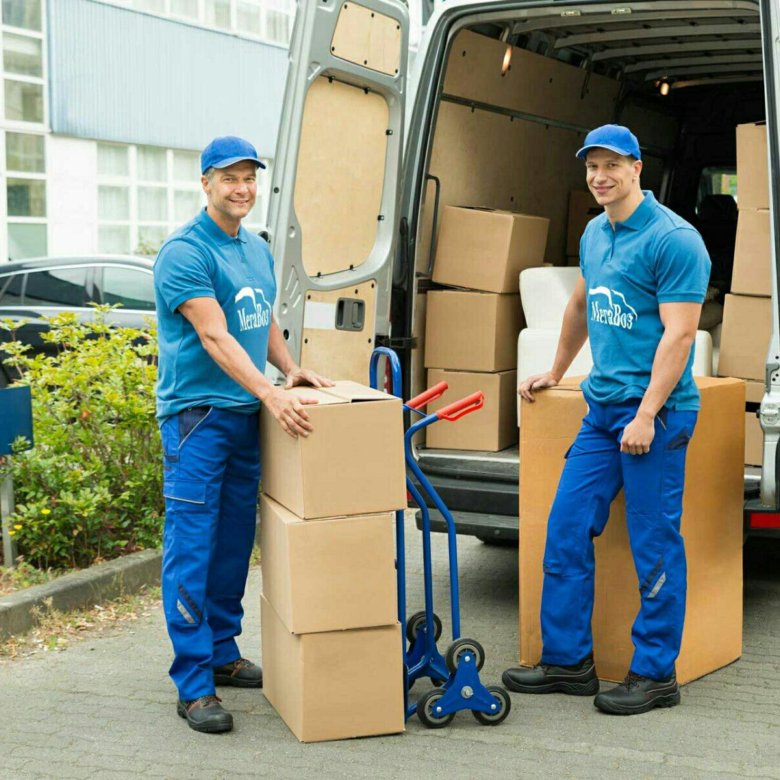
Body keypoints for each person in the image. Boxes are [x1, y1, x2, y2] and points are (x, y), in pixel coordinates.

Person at [502, 125, 711, 715]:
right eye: (592, 166)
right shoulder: (596, 232)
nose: (600, 176)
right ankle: (568, 662)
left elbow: (680, 334)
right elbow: (580, 305)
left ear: (637, 168)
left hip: (657, 416)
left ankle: (656, 674)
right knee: (566, 527)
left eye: (612, 165)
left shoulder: (675, 240)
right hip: (602, 412)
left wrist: (646, 414)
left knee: (654, 543)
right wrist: (555, 370)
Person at [153, 135, 333, 734]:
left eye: (249, 178)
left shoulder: (254, 247)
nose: (242, 188)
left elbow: (260, 317)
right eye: (229, 178)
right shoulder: (184, 252)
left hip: (243, 416)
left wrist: (289, 368)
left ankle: (222, 652)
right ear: (205, 183)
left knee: (234, 543)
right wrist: (271, 394)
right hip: (198, 419)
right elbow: (214, 335)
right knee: (192, 546)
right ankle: (193, 683)